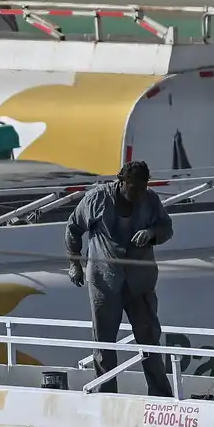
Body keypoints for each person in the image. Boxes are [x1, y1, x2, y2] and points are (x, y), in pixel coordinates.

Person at [64, 160, 174, 396]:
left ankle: (161, 395)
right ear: (121, 181)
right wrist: (74, 263)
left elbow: (167, 227)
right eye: (134, 188)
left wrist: (152, 233)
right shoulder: (97, 199)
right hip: (105, 282)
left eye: (143, 187)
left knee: (149, 340)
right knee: (104, 344)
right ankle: (107, 396)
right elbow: (73, 227)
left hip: (140, 283)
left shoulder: (150, 200)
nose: (138, 193)